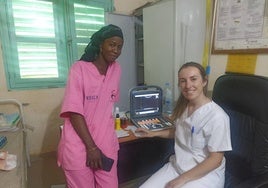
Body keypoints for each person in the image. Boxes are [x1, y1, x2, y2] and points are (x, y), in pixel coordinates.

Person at [136, 62, 232, 188]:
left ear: (204, 81)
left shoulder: (217, 116)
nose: (188, 85)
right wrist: (154, 133)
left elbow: (215, 159)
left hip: (204, 175)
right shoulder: (184, 106)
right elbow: (181, 132)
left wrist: (182, 179)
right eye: (183, 81)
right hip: (177, 167)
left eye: (193, 79)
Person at [57, 24, 124, 188]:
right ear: (101, 45)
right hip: (80, 144)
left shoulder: (116, 69)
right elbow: (74, 112)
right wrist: (91, 148)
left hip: (106, 142)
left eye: (120, 46)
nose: (116, 50)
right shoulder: (79, 69)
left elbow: (107, 103)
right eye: (112, 44)